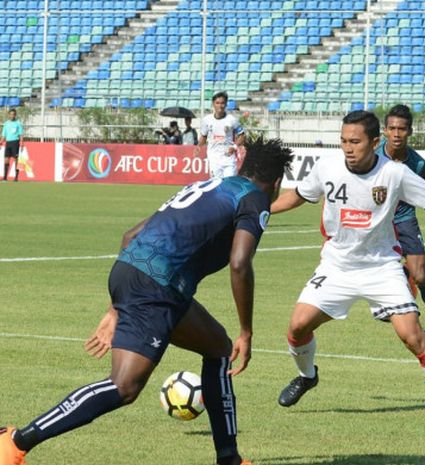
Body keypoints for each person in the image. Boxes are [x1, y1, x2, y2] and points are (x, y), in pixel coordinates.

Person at [0, 138, 294, 465]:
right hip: (157, 286)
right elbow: (240, 263)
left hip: (136, 273)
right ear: (277, 183)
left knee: (218, 348)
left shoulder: (213, 184)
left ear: (242, 165)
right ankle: (15, 441)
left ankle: (230, 458)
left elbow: (130, 234)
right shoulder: (255, 198)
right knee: (124, 386)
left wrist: (116, 308)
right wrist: (247, 331)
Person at [272, 110, 425, 421]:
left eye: (355, 141)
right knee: (297, 326)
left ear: (374, 142)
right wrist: (262, 211)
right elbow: (298, 196)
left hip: (381, 267)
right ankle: (307, 376)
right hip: (337, 266)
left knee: (412, 336)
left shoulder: (394, 173)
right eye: (343, 141)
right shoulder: (327, 166)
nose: (348, 148)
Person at [377, 104, 425, 339]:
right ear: (385, 131)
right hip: (378, 222)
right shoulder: (373, 156)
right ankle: (394, 295)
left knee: (420, 275)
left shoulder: (419, 165)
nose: (397, 134)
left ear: (410, 131)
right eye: (392, 128)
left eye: (402, 129)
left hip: (405, 219)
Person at [196, 91, 241, 179]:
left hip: (229, 159)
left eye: (222, 103)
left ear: (226, 104)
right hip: (214, 160)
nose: (220, 106)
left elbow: (242, 135)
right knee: (217, 186)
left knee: (229, 185)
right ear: (213, 104)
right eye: (217, 103)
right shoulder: (207, 120)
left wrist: (234, 147)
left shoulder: (232, 120)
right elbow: (203, 136)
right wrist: (198, 146)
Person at [1, 108, 24, 182]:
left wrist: (22, 143)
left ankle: (16, 177)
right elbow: (3, 135)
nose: (12, 116)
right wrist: (1, 142)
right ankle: (5, 178)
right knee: (6, 160)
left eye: (13, 114)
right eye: (10, 114)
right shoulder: (6, 123)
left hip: (15, 142)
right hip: (8, 143)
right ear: (9, 115)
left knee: (16, 159)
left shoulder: (18, 123)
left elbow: (21, 134)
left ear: (15, 115)